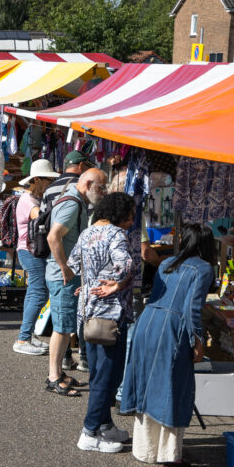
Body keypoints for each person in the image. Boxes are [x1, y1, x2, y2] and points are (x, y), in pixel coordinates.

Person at [120, 224, 215, 467]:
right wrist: (198, 340)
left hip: (148, 322)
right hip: (171, 328)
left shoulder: (167, 262)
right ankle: (170, 455)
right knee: (173, 387)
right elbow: (192, 309)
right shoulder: (203, 269)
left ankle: (146, 450)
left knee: (148, 383)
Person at [67, 192, 136, 453]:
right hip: (110, 313)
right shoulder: (117, 234)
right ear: (121, 213)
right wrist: (118, 283)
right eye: (130, 214)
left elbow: (74, 263)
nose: (131, 220)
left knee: (98, 372)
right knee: (108, 375)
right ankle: (90, 431)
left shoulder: (86, 233)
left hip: (88, 311)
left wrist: (89, 284)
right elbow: (125, 265)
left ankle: (105, 425)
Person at [45, 168, 109, 396]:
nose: (103, 192)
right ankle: (53, 376)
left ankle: (58, 373)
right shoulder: (73, 203)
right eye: (101, 187)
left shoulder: (76, 200)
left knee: (65, 327)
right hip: (61, 275)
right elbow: (53, 236)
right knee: (62, 329)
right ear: (88, 183)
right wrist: (64, 266)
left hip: (65, 274)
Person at [12, 159, 59, 355]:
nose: (51, 183)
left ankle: (28, 335)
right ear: (37, 179)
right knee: (38, 292)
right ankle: (23, 339)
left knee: (36, 292)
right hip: (30, 251)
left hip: (31, 251)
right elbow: (41, 219)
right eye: (49, 180)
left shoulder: (35, 198)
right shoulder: (28, 201)